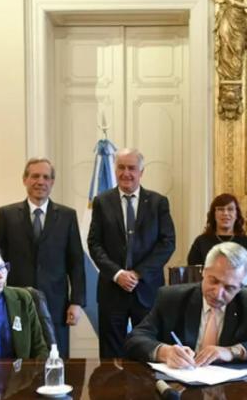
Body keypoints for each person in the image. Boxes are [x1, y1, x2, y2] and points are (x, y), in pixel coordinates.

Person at [124, 242, 247, 368]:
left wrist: (232, 351)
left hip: (234, 389)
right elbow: (135, 339)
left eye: (229, 288)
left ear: (241, 287)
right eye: (213, 280)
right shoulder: (172, 298)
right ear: (204, 271)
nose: (218, 293)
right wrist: (164, 352)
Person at [0, 158, 85, 357]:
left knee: (56, 356)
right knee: (20, 355)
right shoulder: (6, 214)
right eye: (35, 176)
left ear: (52, 182)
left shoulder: (67, 216)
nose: (40, 181)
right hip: (16, 300)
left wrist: (76, 302)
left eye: (46, 177)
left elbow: (76, 262)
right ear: (25, 179)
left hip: (56, 303)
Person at [88, 148, 176, 358]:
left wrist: (137, 274)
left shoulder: (158, 202)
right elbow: (94, 243)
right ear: (115, 170)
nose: (126, 173)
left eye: (131, 168)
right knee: (110, 356)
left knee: (148, 351)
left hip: (146, 289)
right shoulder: (102, 201)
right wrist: (118, 274)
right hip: (112, 290)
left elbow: (167, 243)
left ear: (141, 172)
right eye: (121, 167)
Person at [187, 193, 247, 268]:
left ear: (236, 214)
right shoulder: (201, 243)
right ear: (214, 214)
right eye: (221, 209)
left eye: (230, 209)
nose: (225, 213)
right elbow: (193, 272)